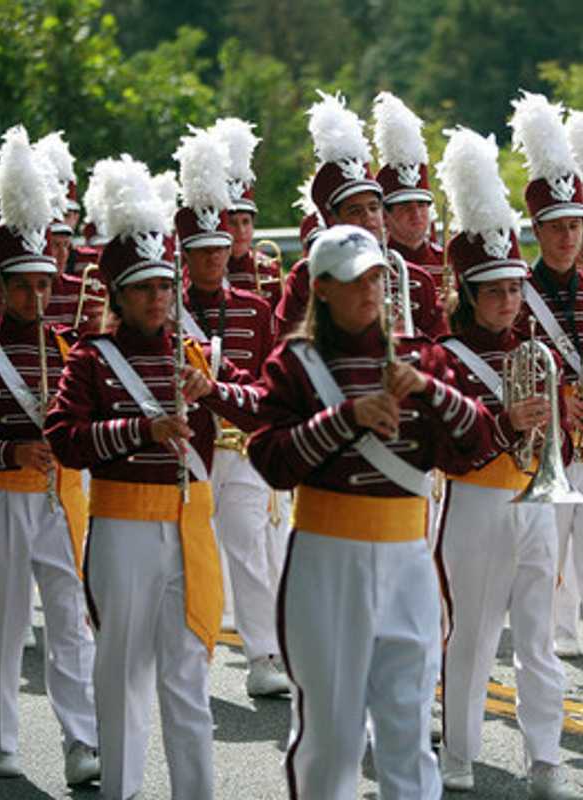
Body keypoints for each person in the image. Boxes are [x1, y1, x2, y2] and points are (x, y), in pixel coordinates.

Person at [248, 223, 502, 800]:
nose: (367, 290)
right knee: (332, 736)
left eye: (375, 279)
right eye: (351, 280)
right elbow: (271, 459)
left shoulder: (423, 357)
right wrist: (347, 418)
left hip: (408, 558)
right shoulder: (296, 362)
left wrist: (431, 390)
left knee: (408, 728)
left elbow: (479, 442)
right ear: (322, 288)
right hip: (326, 555)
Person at [45, 153, 264, 800]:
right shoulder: (91, 357)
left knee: (189, 677)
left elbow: (254, 409)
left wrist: (214, 388)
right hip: (120, 528)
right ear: (117, 294)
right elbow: (65, 438)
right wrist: (141, 430)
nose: (159, 298)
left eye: (164, 287)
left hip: (188, 527)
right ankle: (120, 790)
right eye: (144, 288)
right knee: (120, 675)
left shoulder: (189, 354)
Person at [435, 124, 577, 799]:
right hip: (476, 504)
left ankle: (545, 757)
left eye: (515, 291)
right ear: (467, 293)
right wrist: (506, 419)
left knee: (540, 642)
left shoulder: (532, 350)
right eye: (494, 292)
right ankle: (458, 753)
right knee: (473, 636)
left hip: (534, 501)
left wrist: (559, 428)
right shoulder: (444, 356)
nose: (509, 303)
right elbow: (446, 440)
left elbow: (558, 447)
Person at [0, 124, 99, 786]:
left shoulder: (64, 345)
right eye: (22, 285)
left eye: (43, 284)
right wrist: (9, 447)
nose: (36, 297)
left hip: (60, 496)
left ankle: (80, 739)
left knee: (68, 617)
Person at [174, 126, 289, 697]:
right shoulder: (164, 309)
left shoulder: (255, 306)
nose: (215, 258)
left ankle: (264, 653)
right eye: (203, 252)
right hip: (187, 446)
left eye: (221, 249)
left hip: (239, 444)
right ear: (185, 256)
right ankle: (188, 645)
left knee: (248, 548)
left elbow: (269, 371)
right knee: (187, 549)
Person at [274, 91, 447, 342]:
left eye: (374, 208)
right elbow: (288, 346)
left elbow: (438, 353)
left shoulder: (414, 277)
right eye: (355, 211)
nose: (369, 219)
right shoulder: (306, 275)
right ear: (332, 220)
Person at [510, 91, 583, 658]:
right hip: (546, 446)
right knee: (545, 556)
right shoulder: (518, 292)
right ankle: (548, 643)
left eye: (575, 225)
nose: (566, 237)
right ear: (536, 228)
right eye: (555, 226)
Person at [211, 117, 284, 311]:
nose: (241, 230)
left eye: (246, 222)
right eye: (232, 223)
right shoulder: (206, 269)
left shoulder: (268, 268)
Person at [372, 92, 444, 285]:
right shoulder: (374, 264)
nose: (416, 213)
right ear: (385, 215)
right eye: (405, 206)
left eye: (422, 205)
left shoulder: (447, 262)